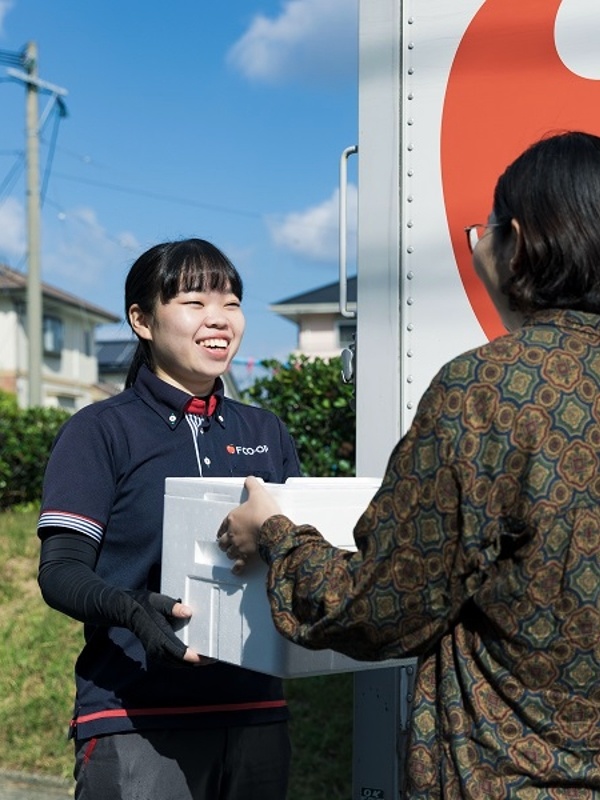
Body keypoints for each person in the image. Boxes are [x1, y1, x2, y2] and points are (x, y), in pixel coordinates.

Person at [218, 131, 600, 798]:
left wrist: (275, 535)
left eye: (485, 229)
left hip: (508, 777)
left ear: (517, 244)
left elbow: (382, 606)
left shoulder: (487, 391)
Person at [37, 238, 301, 800]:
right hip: (132, 715)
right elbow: (60, 570)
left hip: (256, 713)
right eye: (194, 302)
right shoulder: (99, 431)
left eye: (231, 302)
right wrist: (130, 608)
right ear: (142, 320)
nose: (219, 319)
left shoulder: (265, 432)